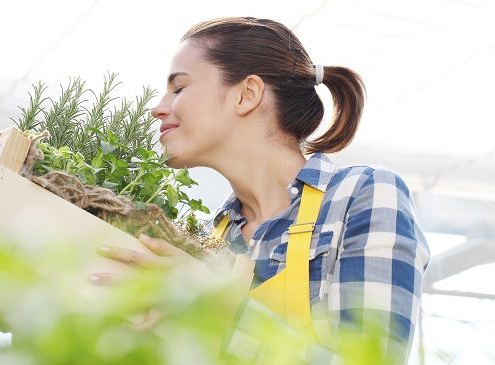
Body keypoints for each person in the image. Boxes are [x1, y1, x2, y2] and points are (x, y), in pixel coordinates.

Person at [91, 16, 430, 363]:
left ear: (247, 95)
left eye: (179, 88)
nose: (157, 108)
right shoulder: (210, 238)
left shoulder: (362, 195)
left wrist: (211, 302)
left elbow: (373, 359)